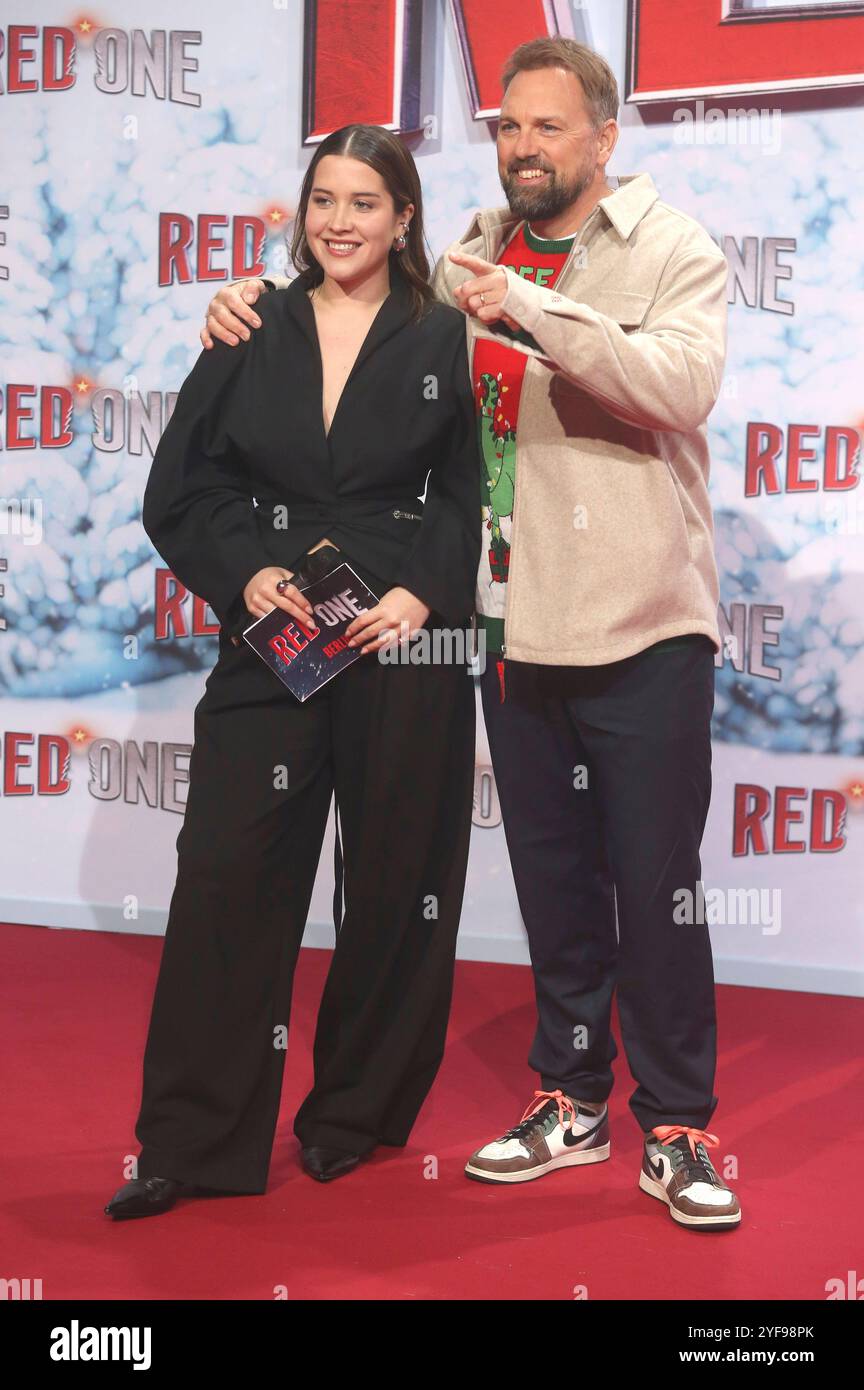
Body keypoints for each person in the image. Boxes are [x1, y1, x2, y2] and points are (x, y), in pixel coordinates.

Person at [203, 38, 740, 1232]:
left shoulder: (670, 249)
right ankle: (571, 1095)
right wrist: (242, 303)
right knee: (554, 884)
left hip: (644, 621)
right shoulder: (467, 256)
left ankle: (683, 1123)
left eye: (549, 128)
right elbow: (355, 312)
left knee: (656, 887)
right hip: (509, 624)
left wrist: (536, 310)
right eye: (506, 128)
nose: (522, 148)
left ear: (606, 136)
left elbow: (680, 388)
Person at [104, 123, 481, 1220]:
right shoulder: (247, 326)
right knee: (226, 873)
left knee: (399, 883)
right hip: (276, 639)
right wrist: (247, 570)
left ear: (403, 217)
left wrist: (424, 590)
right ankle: (189, 1141)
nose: (340, 221)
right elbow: (182, 489)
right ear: (302, 210)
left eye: (365, 201)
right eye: (324, 199)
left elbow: (470, 485)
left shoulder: (445, 334)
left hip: (398, 641)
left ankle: (350, 1117)